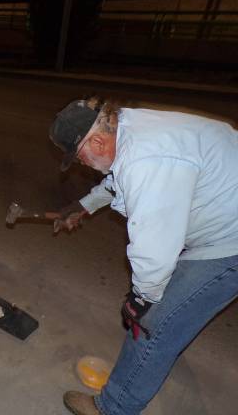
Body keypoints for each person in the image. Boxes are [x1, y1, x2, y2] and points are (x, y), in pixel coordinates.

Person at [48, 98, 238, 415]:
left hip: (229, 241)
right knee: (163, 312)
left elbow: (155, 247)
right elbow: (119, 175)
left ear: (95, 140)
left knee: (152, 322)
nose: (82, 165)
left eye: (79, 157)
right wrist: (85, 204)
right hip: (225, 214)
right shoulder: (127, 127)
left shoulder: (148, 162)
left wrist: (141, 300)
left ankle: (114, 408)